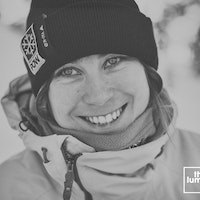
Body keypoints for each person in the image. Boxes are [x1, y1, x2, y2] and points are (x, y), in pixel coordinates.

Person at [0, 0, 200, 199]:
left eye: (113, 61)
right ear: (44, 99)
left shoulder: (195, 163)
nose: (99, 97)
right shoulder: (10, 188)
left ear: (147, 72)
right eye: (69, 71)